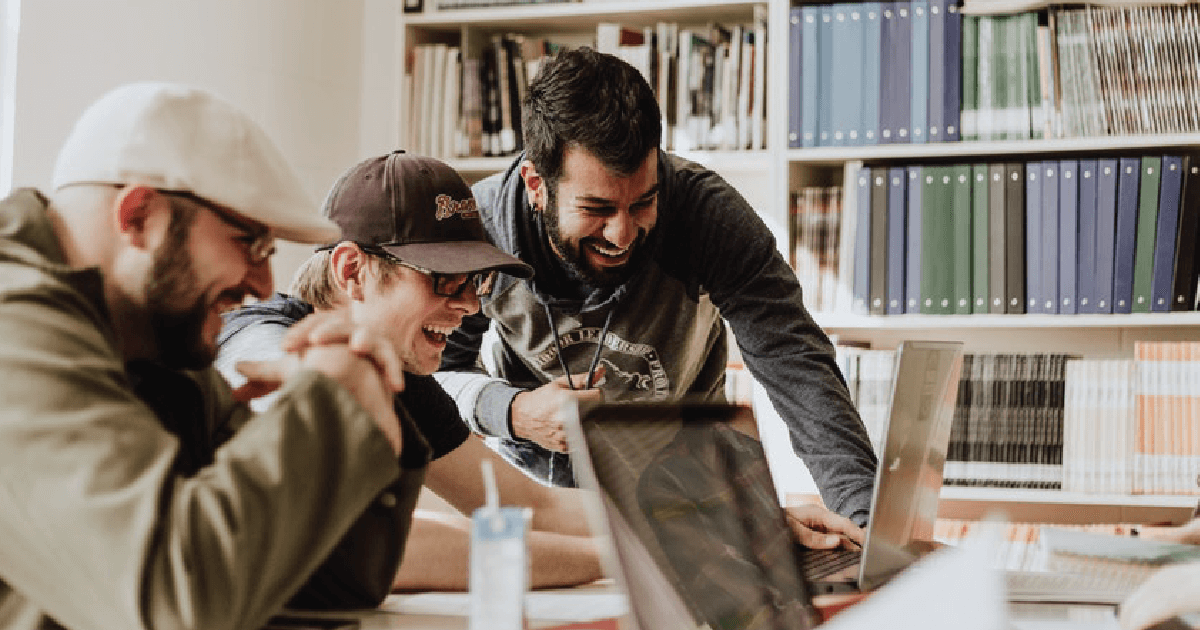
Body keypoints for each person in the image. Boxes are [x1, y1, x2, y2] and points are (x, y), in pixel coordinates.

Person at [0, 83, 421, 630]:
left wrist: (364, 395)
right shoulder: (15, 327)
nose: (265, 285)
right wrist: (332, 402)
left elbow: (329, 586)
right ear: (138, 216)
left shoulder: (158, 346)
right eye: (249, 242)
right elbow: (175, 602)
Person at [434, 46, 879, 527]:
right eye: (597, 210)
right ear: (536, 185)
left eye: (643, 203)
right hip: (545, 507)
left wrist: (864, 524)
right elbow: (435, 375)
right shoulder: (481, 233)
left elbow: (797, 367)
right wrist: (513, 411)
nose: (622, 235)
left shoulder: (709, 216)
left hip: (692, 503)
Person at [216, 151, 604, 591]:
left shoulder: (401, 377)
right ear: (352, 271)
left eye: (474, 281)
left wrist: (671, 526)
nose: (471, 306)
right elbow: (359, 540)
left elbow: (527, 505)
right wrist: (614, 560)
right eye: (445, 279)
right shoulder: (258, 341)